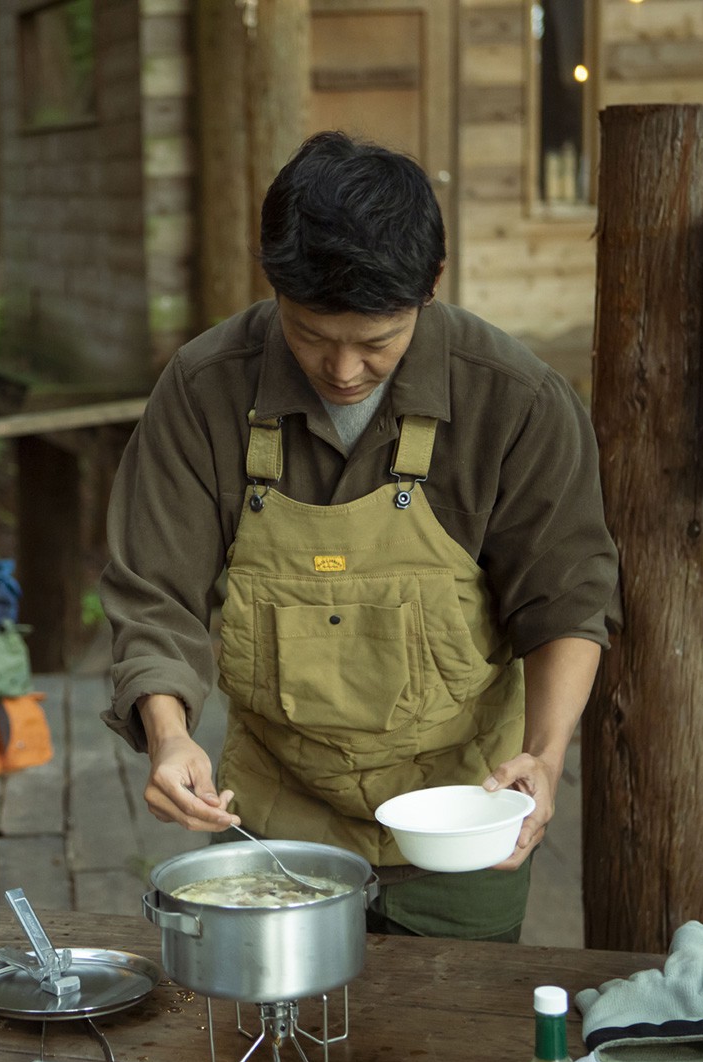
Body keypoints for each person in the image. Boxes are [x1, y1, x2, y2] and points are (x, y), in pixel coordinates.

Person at [100, 130, 619, 941]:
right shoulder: (206, 388)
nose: (342, 369)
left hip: (462, 817)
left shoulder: (515, 400)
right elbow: (153, 590)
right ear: (273, 286)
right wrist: (168, 736)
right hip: (272, 825)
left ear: (430, 287)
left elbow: (568, 598)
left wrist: (546, 758)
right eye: (310, 334)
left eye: (375, 342)